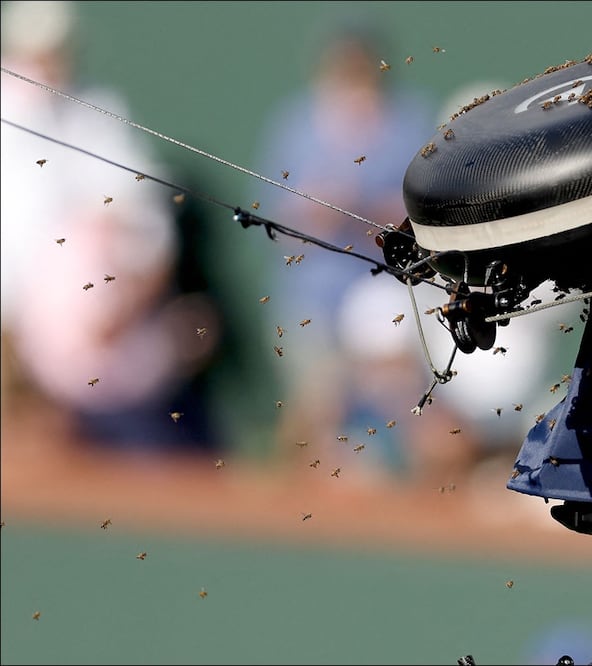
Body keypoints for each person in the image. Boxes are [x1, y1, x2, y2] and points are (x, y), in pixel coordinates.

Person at [248, 17, 480, 490]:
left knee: (413, 409)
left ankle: (430, 489)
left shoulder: (409, 122)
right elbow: (278, 221)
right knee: (317, 408)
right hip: (313, 299)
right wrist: (318, 209)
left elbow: (422, 213)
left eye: (360, 71)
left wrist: (362, 208)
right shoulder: (296, 125)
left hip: (386, 298)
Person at [1, 0, 222, 453]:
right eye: (36, 50)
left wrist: (131, 293)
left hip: (98, 337)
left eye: (56, 49)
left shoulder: (98, 112)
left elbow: (145, 216)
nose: (47, 62)